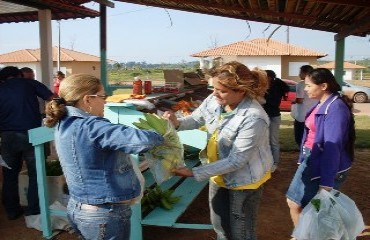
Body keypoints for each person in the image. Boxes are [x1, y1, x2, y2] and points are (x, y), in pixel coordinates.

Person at [43, 74, 164, 240]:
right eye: (102, 97)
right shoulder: (92, 126)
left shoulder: (63, 121)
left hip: (78, 207)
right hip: (104, 213)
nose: (105, 102)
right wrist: (162, 129)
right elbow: (144, 141)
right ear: (87, 100)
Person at [163, 61, 273, 240]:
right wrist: (177, 123)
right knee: (220, 226)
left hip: (244, 181)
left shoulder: (254, 117)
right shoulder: (214, 99)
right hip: (217, 174)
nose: (215, 94)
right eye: (213, 88)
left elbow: (237, 161)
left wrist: (193, 172)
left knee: (241, 231)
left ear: (241, 91)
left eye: (222, 91)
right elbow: (197, 118)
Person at [286, 68, 355, 227]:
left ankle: (311, 235)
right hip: (312, 159)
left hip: (323, 164)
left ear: (323, 86)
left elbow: (332, 147)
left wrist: (326, 183)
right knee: (299, 203)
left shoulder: (335, 108)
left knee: (315, 207)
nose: (305, 88)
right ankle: (305, 235)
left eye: (309, 85)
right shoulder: (323, 103)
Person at [0, 66, 54, 220]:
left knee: (9, 175)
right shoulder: (30, 83)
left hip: (7, 136)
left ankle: (12, 210)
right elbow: (52, 97)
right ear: (19, 75)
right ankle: (33, 210)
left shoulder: (1, 87)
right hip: (33, 134)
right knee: (35, 174)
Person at [262, 70, 289, 171]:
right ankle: (267, 161)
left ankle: (275, 163)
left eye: (264, 76)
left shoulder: (276, 87)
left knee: (273, 141)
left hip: (273, 116)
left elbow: (272, 102)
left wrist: (262, 99)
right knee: (265, 141)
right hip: (266, 116)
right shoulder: (267, 86)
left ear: (269, 77)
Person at [291, 65, 318, 146]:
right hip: (314, 115)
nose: (299, 74)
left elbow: (300, 99)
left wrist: (294, 101)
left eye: (300, 72)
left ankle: (304, 157)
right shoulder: (317, 83)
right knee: (312, 139)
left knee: (300, 139)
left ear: (305, 73)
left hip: (302, 116)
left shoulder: (301, 84)